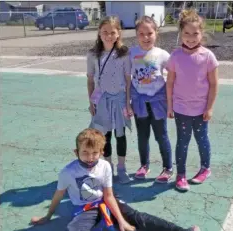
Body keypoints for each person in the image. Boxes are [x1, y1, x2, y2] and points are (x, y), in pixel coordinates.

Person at [31, 128, 202, 231]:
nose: (90, 157)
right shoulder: (68, 172)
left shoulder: (104, 166)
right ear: (76, 152)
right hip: (86, 210)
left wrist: (121, 221)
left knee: (139, 218)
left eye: (94, 153)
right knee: (73, 230)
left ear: (102, 152)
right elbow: (58, 195)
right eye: (85, 152)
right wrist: (48, 216)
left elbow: (109, 196)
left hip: (107, 202)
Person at [166, 9, 219, 191]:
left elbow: (213, 84)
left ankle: (205, 168)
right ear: (181, 33)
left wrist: (209, 108)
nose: (190, 37)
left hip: (201, 109)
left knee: (202, 139)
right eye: (186, 33)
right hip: (181, 109)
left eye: (195, 33)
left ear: (201, 34)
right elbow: (170, 83)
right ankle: (181, 175)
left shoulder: (208, 57)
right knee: (182, 141)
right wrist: (170, 106)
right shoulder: (175, 57)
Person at [87, 16, 133, 184]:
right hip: (102, 101)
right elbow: (90, 80)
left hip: (120, 100)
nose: (108, 35)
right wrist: (91, 102)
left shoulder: (124, 53)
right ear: (99, 33)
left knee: (120, 134)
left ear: (118, 33)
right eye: (105, 32)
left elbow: (128, 80)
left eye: (112, 32)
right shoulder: (93, 54)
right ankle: (107, 167)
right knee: (104, 135)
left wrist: (128, 102)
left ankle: (122, 168)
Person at [130, 16, 173, 184]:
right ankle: (144, 166)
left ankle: (168, 167)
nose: (146, 37)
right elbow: (126, 78)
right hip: (139, 103)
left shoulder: (162, 55)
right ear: (136, 35)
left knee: (161, 136)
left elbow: (175, 75)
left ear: (156, 33)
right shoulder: (131, 53)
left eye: (150, 33)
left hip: (158, 103)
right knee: (142, 136)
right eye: (141, 34)